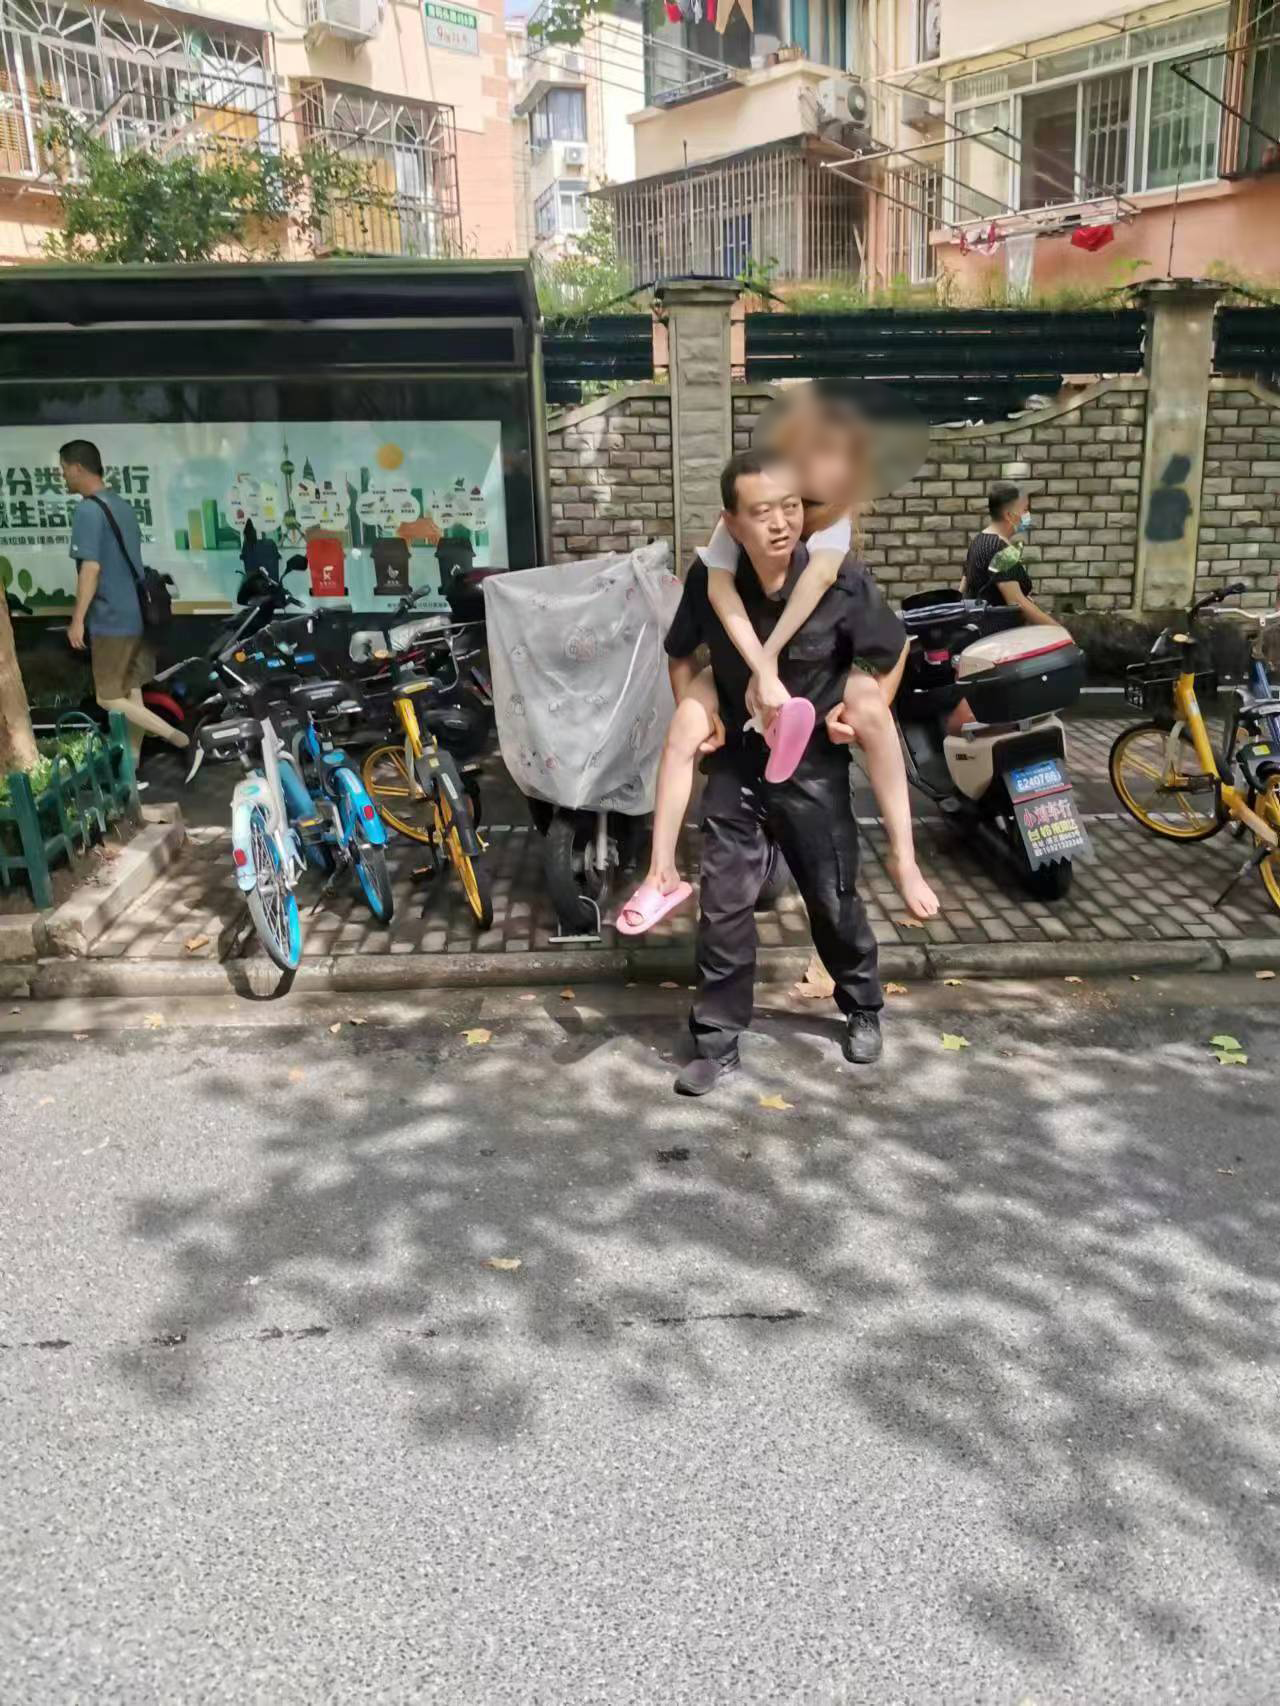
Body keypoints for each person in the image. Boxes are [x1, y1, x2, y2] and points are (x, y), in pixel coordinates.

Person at [618, 390, 937, 933]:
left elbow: (839, 596)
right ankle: (661, 872)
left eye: (843, 456)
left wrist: (858, 713)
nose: (827, 467)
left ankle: (904, 859)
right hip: (735, 680)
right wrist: (734, 693)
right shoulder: (754, 504)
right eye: (817, 450)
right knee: (686, 724)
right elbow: (717, 592)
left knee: (872, 710)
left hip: (818, 685)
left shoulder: (833, 535)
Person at [665, 447, 909, 1096]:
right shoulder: (711, 579)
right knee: (723, 908)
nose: (779, 523)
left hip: (815, 773)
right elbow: (679, 652)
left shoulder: (841, 579)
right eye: (761, 512)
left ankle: (862, 1005)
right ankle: (716, 1041)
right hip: (737, 770)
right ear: (731, 522)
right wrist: (698, 714)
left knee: (833, 899)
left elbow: (892, 652)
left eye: (790, 507)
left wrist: (866, 712)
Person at [61, 439, 189, 765]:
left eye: (64, 470)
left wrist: (77, 620)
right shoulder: (121, 506)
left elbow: (91, 568)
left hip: (111, 619)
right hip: (138, 616)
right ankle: (131, 775)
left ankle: (177, 736)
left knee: (107, 698)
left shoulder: (88, 510)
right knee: (134, 697)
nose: (63, 477)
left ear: (78, 468)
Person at [961, 481, 1059, 627]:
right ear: (1009, 515)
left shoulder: (979, 540)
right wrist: (1057, 630)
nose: (1028, 515)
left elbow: (963, 589)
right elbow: (1017, 602)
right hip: (998, 634)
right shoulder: (1000, 549)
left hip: (980, 630)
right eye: (1025, 510)